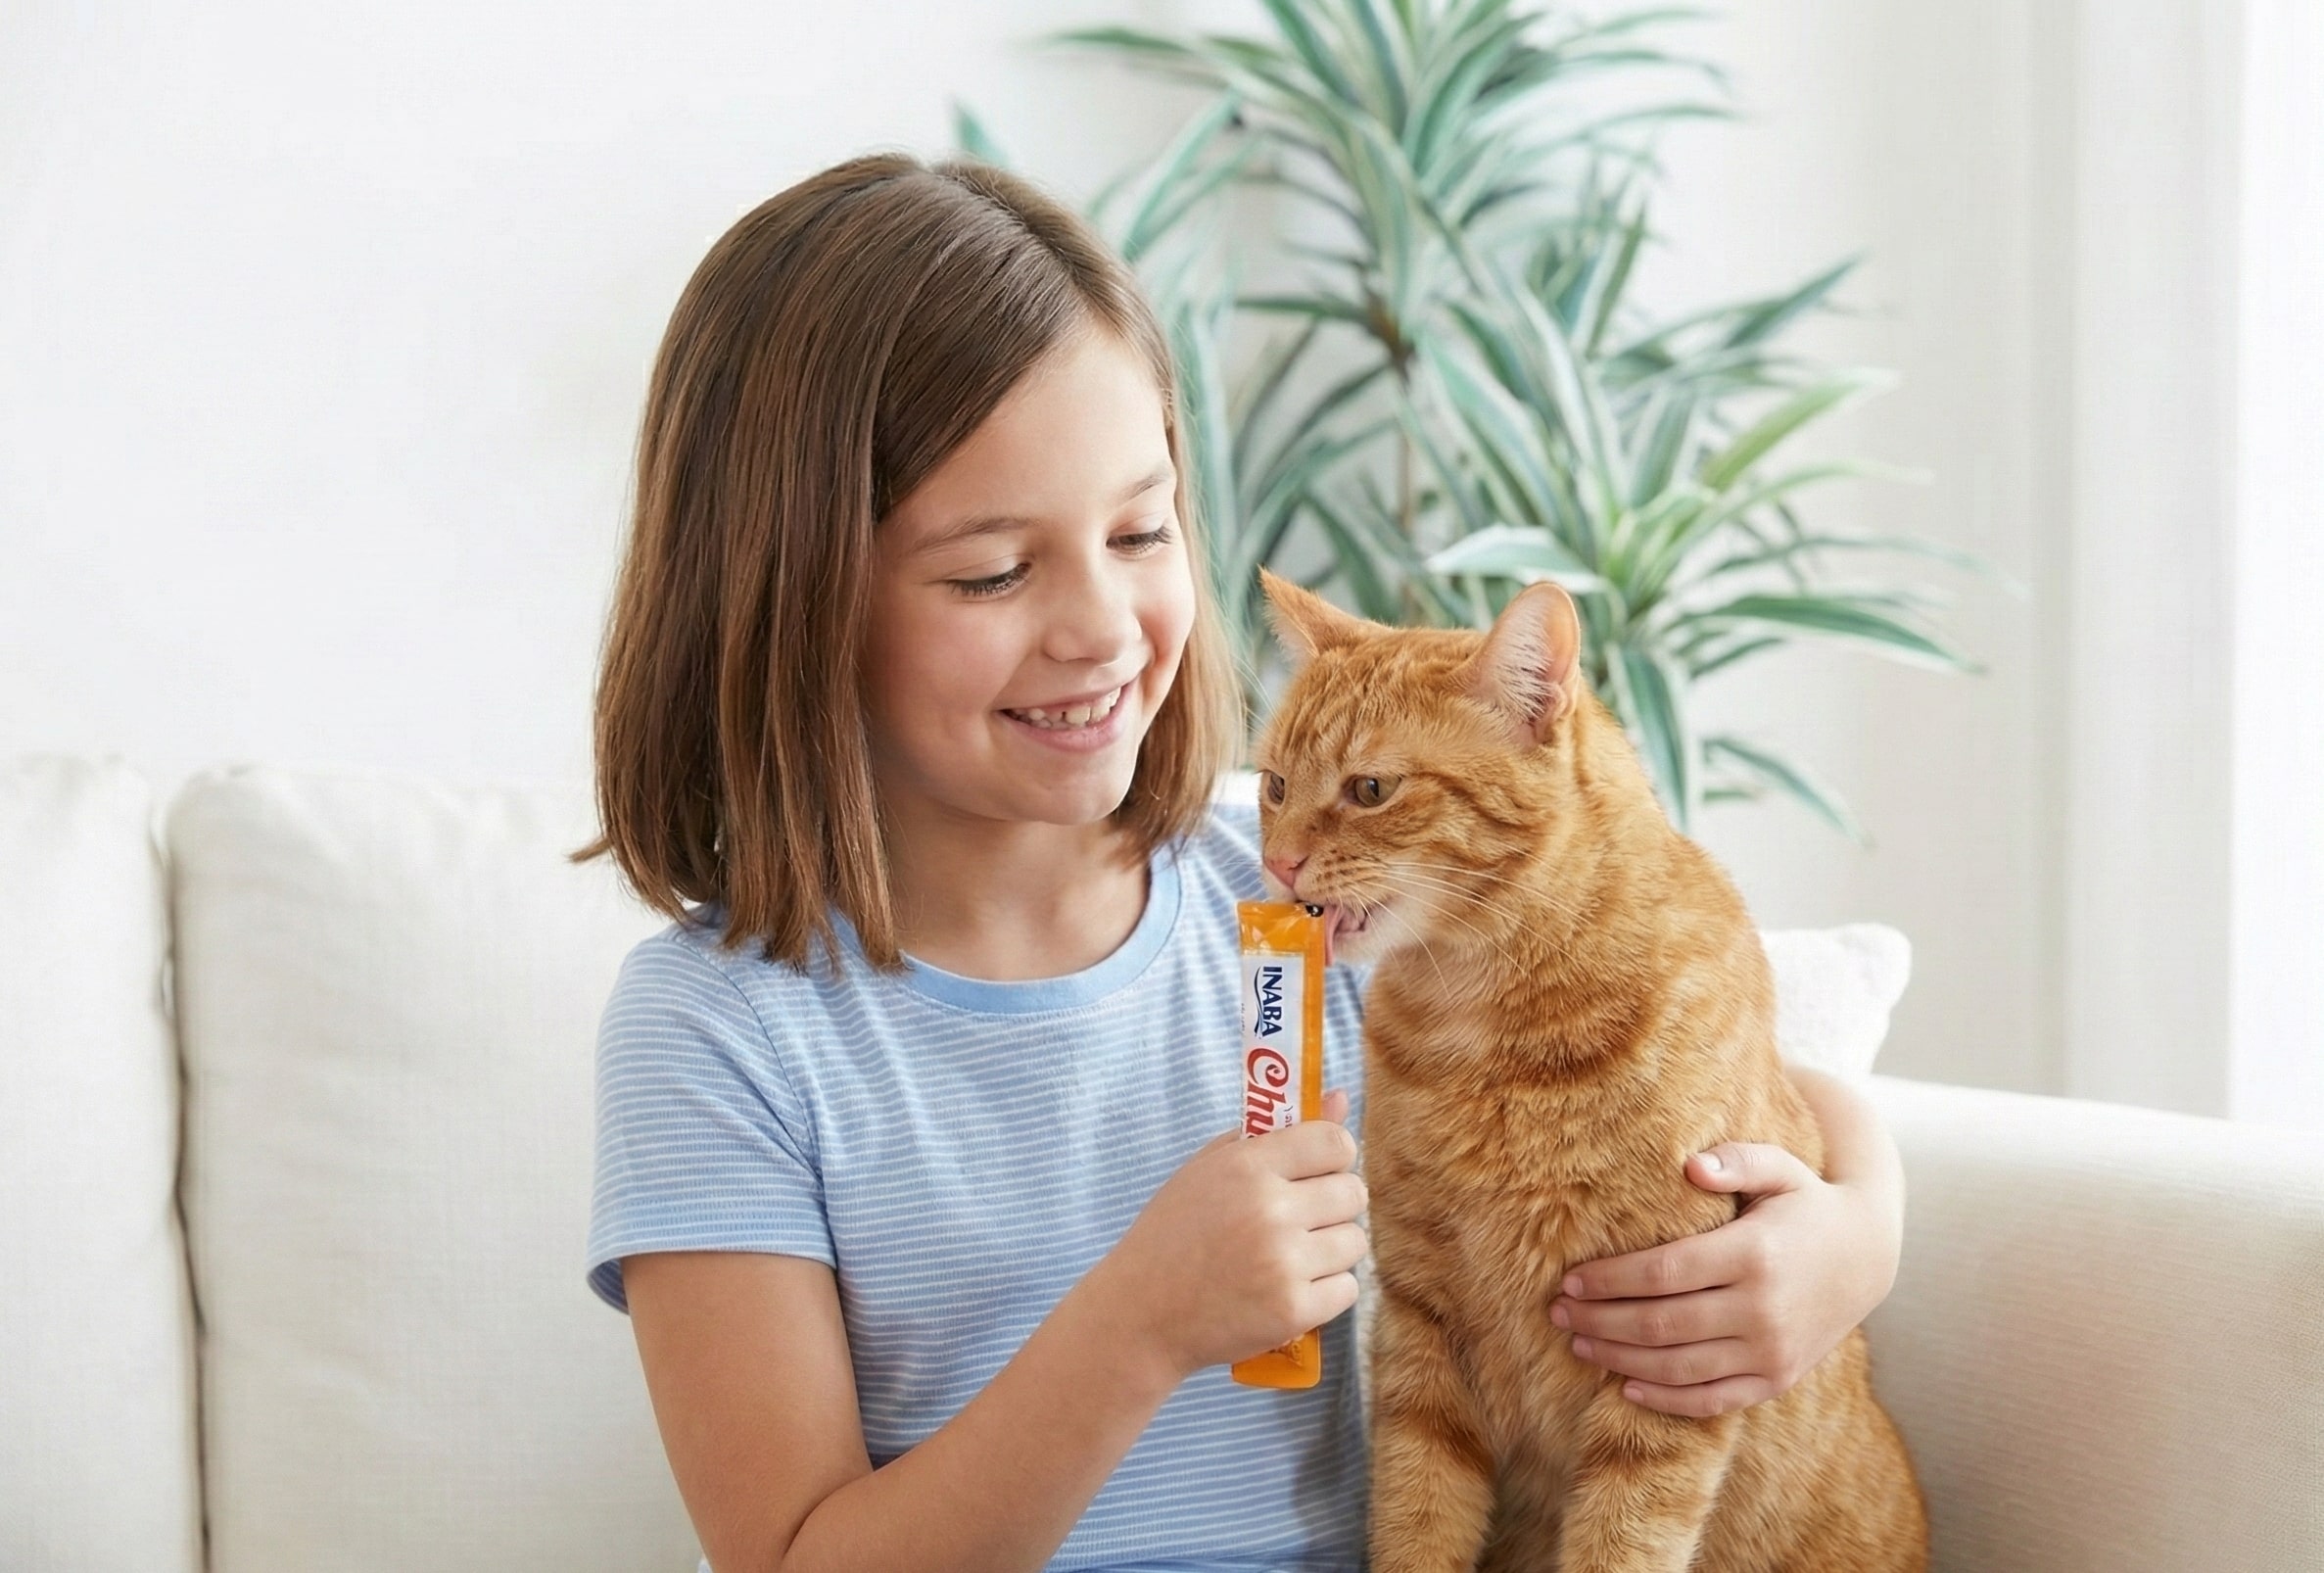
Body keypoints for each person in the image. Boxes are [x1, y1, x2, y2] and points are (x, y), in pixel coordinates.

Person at [576, 152, 1907, 1573]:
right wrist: (1142, 1322)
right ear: (787, 595)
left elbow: (1736, 1073)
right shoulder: (724, 1031)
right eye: (990, 571)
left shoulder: (1309, 895)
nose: (1100, 625)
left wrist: (1852, 1235)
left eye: (1139, 531)